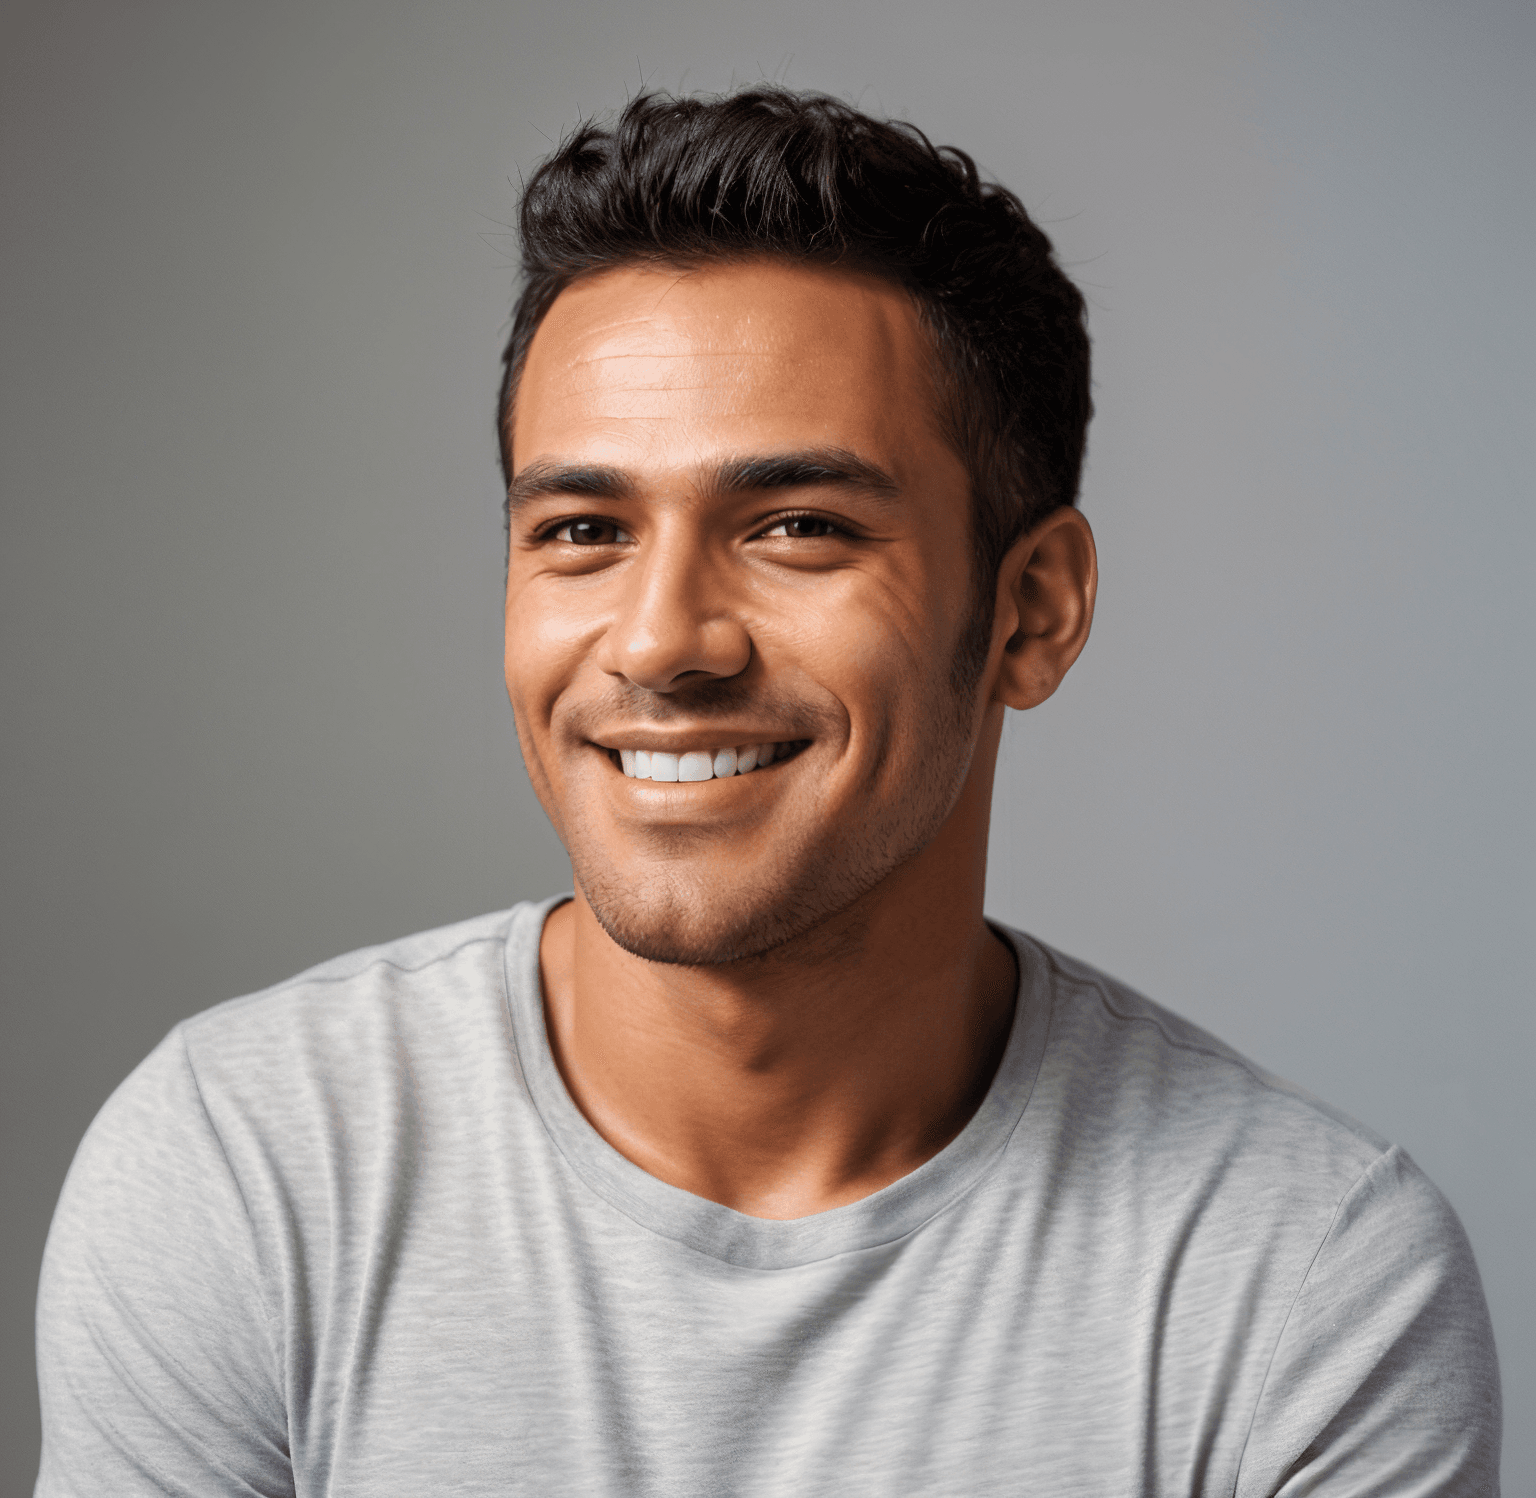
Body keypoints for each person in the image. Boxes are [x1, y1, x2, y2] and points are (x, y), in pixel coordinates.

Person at [34, 87, 1500, 1496]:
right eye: (583, 528)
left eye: (798, 526)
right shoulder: (246, 1169)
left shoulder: (1302, 1281)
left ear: (1032, 612)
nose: (663, 640)